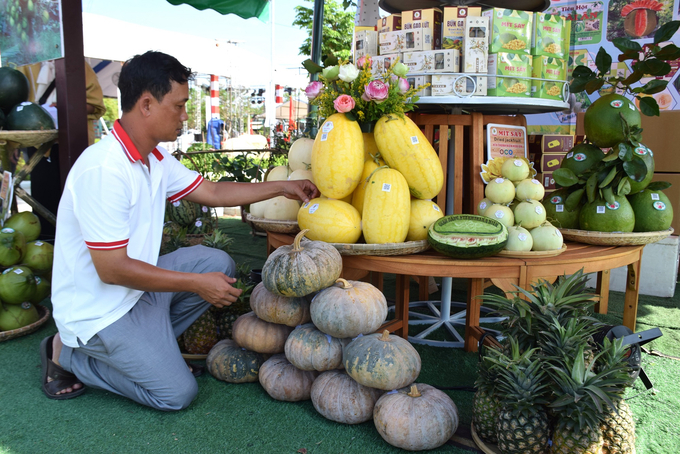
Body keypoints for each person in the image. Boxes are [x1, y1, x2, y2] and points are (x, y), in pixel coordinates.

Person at [40, 51, 319, 410]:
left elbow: (214, 192)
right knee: (176, 393)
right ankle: (66, 354)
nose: (186, 115)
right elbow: (111, 270)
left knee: (215, 262)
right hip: (99, 312)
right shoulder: (104, 170)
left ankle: (151, 351)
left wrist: (283, 187)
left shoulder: (154, 157)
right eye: (180, 105)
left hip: (135, 295)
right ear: (146, 105)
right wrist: (195, 284)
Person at [17, 60, 107, 237]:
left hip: (73, 142)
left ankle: (79, 240)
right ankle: (48, 243)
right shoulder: (26, 65)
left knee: (76, 199)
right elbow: (15, 109)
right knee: (43, 197)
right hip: (37, 143)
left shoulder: (79, 66)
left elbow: (96, 105)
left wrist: (67, 107)